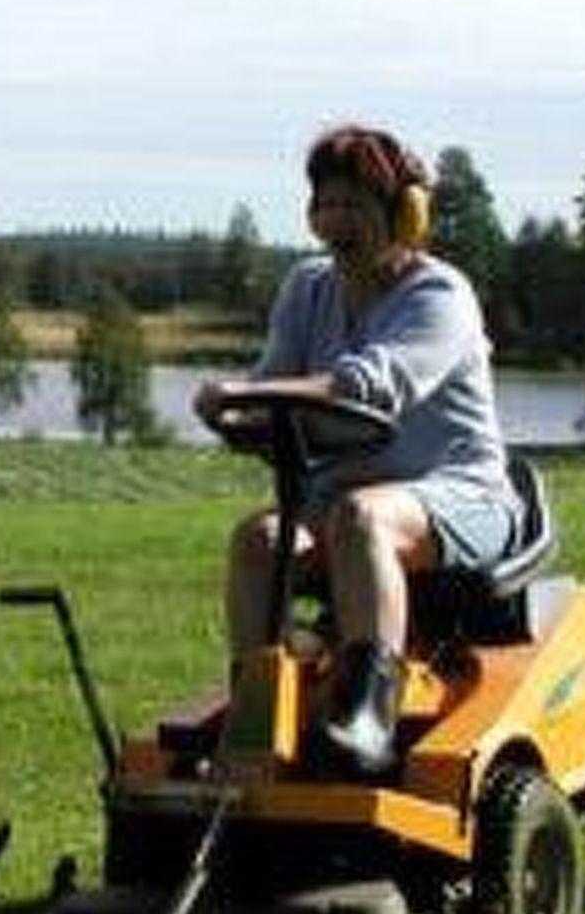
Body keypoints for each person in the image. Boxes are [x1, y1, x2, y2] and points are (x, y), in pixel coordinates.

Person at [193, 125, 519, 778]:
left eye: (358, 207)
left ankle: (371, 714)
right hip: (340, 498)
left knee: (363, 519)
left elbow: (369, 386)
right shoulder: (306, 288)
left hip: (459, 493)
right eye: (328, 205)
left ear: (404, 215)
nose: (339, 222)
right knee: (258, 539)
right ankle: (260, 713)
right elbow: (275, 378)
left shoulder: (440, 297)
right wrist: (238, 413)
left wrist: (247, 392)